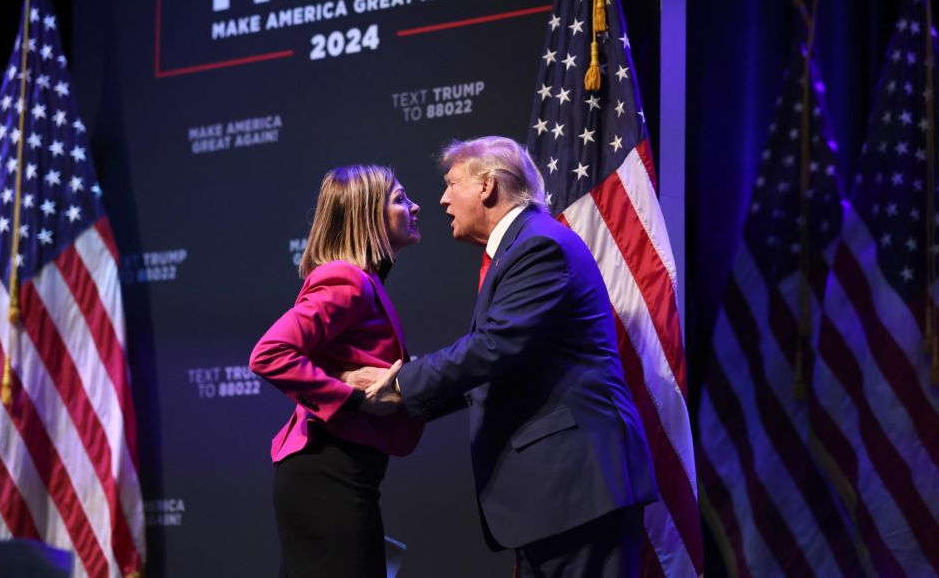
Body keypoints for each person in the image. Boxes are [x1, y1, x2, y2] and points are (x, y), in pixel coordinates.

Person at [348, 136, 656, 578]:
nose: (442, 198)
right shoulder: (521, 247)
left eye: (452, 184)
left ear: (487, 186)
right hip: (559, 494)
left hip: (578, 486)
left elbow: (493, 348)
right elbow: (500, 365)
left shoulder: (538, 246)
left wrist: (400, 385)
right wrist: (403, 392)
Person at [249, 165, 423, 578]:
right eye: (399, 199)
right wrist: (352, 397)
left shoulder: (365, 282)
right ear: (367, 215)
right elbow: (269, 353)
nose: (415, 206)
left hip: (342, 473)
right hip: (327, 472)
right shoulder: (348, 279)